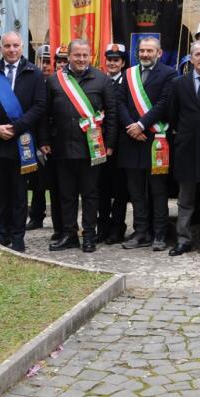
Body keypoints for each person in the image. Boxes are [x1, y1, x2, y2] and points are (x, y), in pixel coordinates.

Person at [133, 40, 200, 258]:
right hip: (186, 148)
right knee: (185, 199)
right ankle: (183, 240)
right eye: (196, 54)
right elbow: (172, 114)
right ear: (190, 57)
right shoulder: (179, 84)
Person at [40, 38, 120, 252]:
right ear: (69, 56)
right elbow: (44, 113)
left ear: (90, 56)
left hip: (92, 148)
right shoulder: (55, 81)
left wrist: (110, 143)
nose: (81, 59)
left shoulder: (102, 80)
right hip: (62, 147)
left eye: (85, 55)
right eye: (77, 55)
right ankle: (70, 234)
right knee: (66, 194)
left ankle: (89, 236)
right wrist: (45, 140)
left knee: (91, 194)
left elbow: (112, 114)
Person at [0, 30, 48, 252]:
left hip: (21, 143)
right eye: (7, 46)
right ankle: (1, 234)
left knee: (18, 193)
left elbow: (39, 106)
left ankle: (17, 236)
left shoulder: (34, 73)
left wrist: (17, 127)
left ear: (22, 47)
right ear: (0, 49)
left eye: (15, 45)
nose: (12, 50)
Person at [119, 35, 177, 251]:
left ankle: (159, 233)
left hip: (155, 140)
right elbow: (120, 102)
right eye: (142, 51)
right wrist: (132, 128)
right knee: (135, 191)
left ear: (159, 53)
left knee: (157, 190)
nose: (145, 54)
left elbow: (163, 104)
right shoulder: (129, 74)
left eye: (149, 51)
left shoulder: (169, 74)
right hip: (131, 140)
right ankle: (141, 231)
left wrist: (141, 125)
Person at [29, 44, 65, 241]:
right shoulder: (38, 80)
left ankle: (59, 225)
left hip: (55, 137)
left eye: (61, 61)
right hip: (36, 135)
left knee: (52, 181)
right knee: (36, 179)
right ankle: (36, 215)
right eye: (44, 61)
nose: (47, 65)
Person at [95, 43, 129, 244]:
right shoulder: (100, 81)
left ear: (123, 63)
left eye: (116, 60)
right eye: (109, 59)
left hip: (121, 145)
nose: (112, 63)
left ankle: (118, 227)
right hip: (99, 144)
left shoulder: (127, 83)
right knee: (101, 188)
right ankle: (103, 227)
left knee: (120, 190)